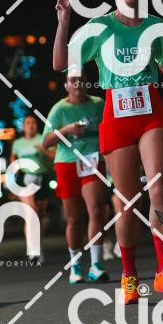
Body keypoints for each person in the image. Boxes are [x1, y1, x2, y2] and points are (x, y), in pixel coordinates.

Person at [52, 0, 163, 304]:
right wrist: (64, 23)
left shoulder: (154, 25)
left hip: (150, 110)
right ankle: (129, 276)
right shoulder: (99, 27)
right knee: (126, 203)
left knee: (160, 187)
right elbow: (60, 64)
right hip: (116, 114)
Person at [42, 75, 107, 284]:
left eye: (81, 79)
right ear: (66, 86)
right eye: (72, 80)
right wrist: (67, 129)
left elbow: (110, 127)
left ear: (87, 83)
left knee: (96, 209)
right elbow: (46, 142)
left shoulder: (98, 104)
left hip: (92, 161)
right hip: (67, 163)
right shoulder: (59, 109)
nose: (77, 83)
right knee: (74, 218)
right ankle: (76, 265)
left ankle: (96, 265)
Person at [10, 113, 54, 264]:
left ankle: (38, 247)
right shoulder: (18, 143)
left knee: (40, 216)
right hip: (25, 178)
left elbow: (54, 156)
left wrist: (43, 150)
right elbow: (13, 161)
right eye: (27, 123)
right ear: (23, 127)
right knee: (31, 213)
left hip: (42, 177)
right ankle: (32, 251)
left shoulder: (43, 139)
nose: (31, 125)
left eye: (33, 122)